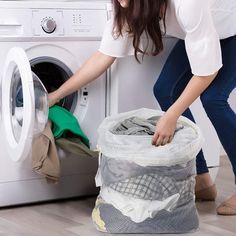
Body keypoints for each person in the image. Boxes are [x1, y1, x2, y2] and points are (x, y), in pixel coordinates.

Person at [49, 0, 236, 215]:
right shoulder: (129, 6)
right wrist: (57, 95)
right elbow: (104, 56)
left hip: (232, 27)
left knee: (213, 99)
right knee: (165, 90)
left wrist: (172, 116)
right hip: (210, 29)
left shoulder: (188, 4)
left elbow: (207, 72)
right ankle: (202, 180)